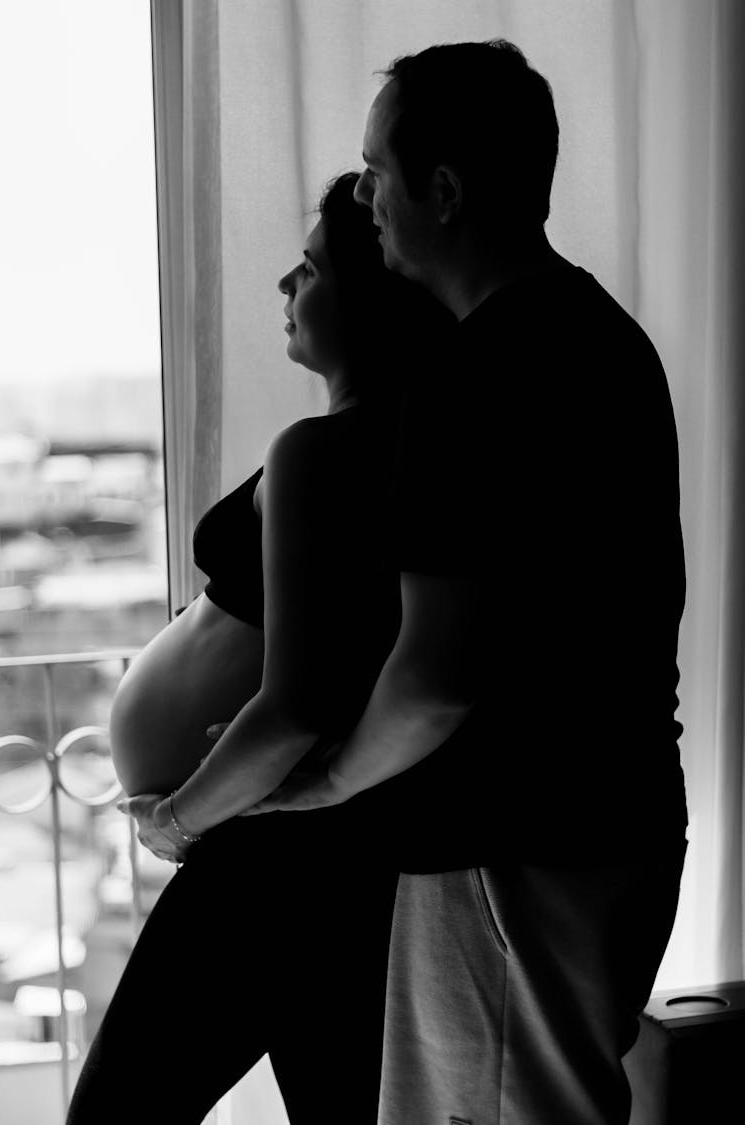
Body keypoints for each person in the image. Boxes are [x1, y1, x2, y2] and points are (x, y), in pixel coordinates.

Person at [247, 40, 689, 1125]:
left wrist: (325, 786)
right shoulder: (603, 334)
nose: (365, 197)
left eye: (377, 173)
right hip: (609, 823)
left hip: (515, 845)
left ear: (443, 192)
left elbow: (436, 676)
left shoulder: (473, 370)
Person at [65, 172, 452, 1125]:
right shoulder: (411, 441)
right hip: (337, 857)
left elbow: (299, 703)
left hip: (270, 855)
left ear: (366, 298)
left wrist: (182, 821)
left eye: (311, 267)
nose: (286, 282)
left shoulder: (323, 451)